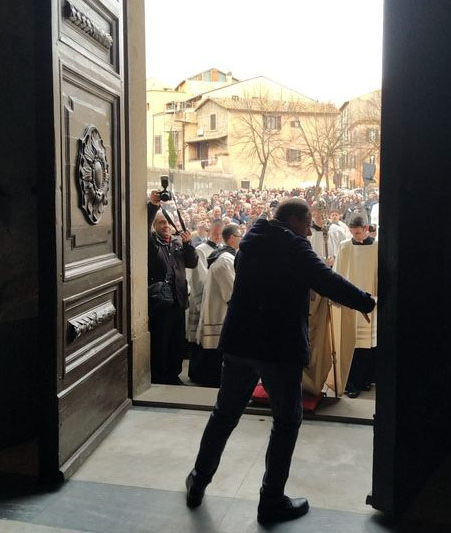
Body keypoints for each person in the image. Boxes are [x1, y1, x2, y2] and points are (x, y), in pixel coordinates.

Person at [185, 199, 376, 524]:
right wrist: (366, 302)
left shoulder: (251, 240)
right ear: (294, 221)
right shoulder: (293, 247)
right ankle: (271, 500)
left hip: (240, 342)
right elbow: (326, 280)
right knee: (286, 421)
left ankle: (198, 480)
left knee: (224, 414)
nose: (309, 231)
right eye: (307, 224)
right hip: (278, 347)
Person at [147, 191, 198, 384]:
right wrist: (153, 206)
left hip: (178, 300)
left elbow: (192, 263)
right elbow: (143, 227)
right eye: (161, 223)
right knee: (161, 340)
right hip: (161, 302)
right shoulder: (152, 243)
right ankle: (160, 375)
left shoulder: (177, 243)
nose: (166, 226)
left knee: (177, 340)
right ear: (155, 226)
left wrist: (188, 244)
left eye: (168, 223)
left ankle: (173, 374)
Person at [333, 215, 378, 398]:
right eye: (352, 233)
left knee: (369, 345)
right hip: (351, 303)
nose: (355, 236)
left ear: (366, 228)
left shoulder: (377, 247)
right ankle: (352, 383)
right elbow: (337, 274)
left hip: (372, 300)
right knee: (353, 344)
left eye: (358, 233)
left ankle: (367, 379)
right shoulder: (345, 246)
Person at [191, 224, 241, 387]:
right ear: (232, 238)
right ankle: (208, 378)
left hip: (217, 308)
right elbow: (231, 291)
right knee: (213, 350)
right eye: (239, 236)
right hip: (219, 311)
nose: (241, 239)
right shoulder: (225, 259)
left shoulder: (226, 256)